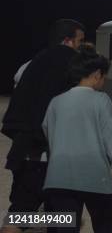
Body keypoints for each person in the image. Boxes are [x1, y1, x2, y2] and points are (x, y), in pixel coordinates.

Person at [1, 19, 84, 233]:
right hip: (60, 159)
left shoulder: (28, 65)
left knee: (19, 215)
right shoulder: (76, 65)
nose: (80, 47)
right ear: (67, 41)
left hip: (27, 155)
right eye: (79, 41)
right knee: (62, 219)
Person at [43, 45, 112, 233]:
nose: (104, 81)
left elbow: (49, 134)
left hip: (59, 178)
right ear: (97, 74)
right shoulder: (101, 100)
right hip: (95, 178)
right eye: (104, 76)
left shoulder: (56, 101)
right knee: (103, 227)